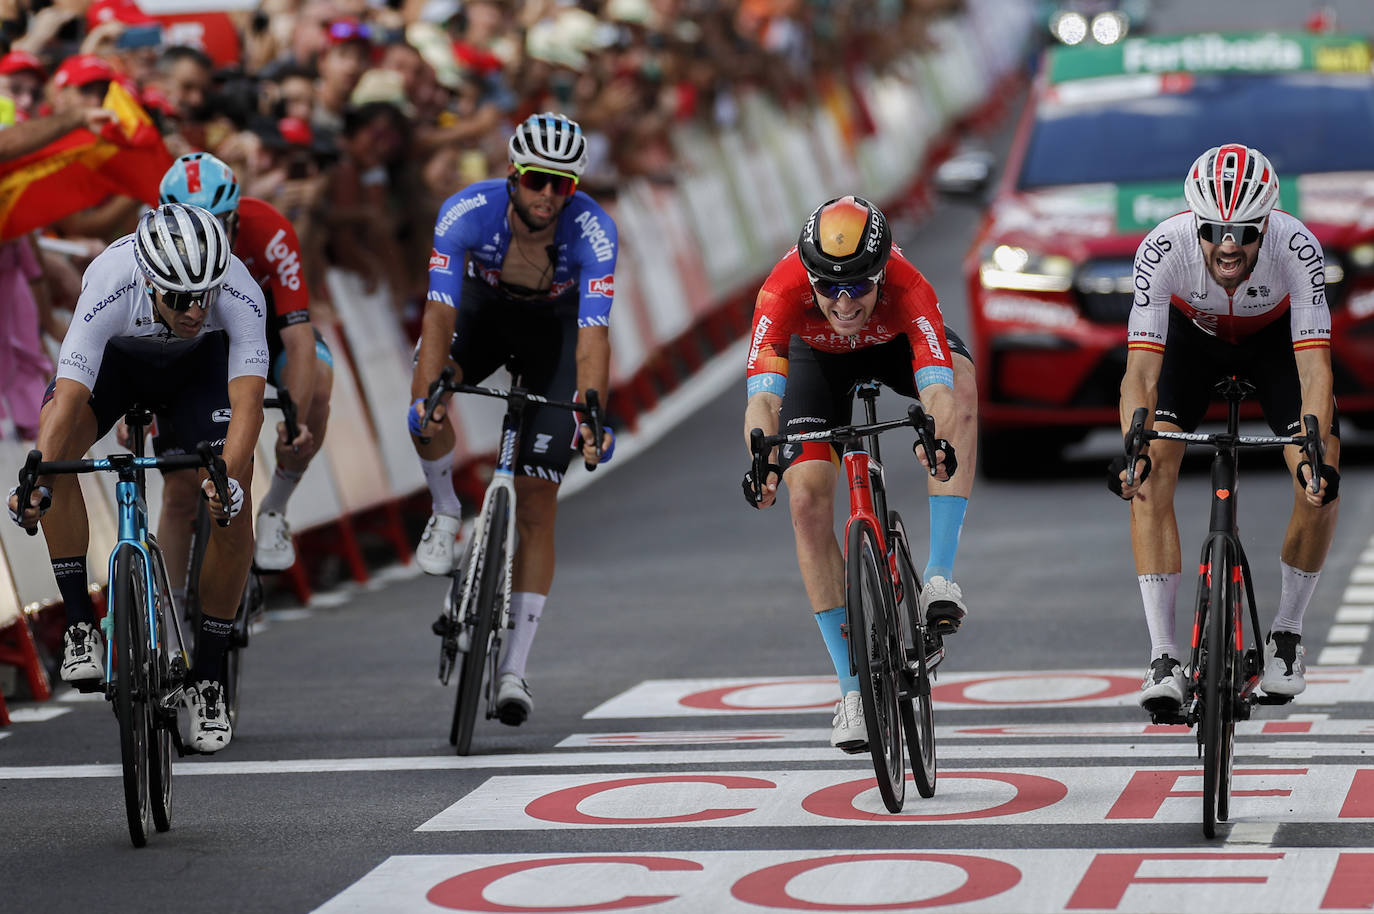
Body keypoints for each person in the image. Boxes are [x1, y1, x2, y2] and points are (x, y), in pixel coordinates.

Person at [7, 203, 268, 753]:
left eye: (205, 295)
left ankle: (211, 677)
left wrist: (230, 482)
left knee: (232, 503)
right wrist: (40, 478)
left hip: (200, 374)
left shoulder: (240, 292)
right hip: (120, 369)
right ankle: (81, 622)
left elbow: (247, 404)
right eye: (179, 298)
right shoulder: (109, 277)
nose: (196, 309)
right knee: (54, 451)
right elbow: (71, 392)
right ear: (148, 282)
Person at [741, 194, 977, 753]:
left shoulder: (907, 285)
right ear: (810, 278)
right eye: (828, 288)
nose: (844, 303)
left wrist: (937, 437)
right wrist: (762, 460)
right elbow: (760, 405)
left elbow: (938, 388)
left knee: (963, 387)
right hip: (817, 360)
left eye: (858, 287)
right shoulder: (780, 290)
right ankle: (851, 690)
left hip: (894, 346)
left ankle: (940, 575)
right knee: (805, 502)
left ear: (881, 273)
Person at [1114, 143, 1339, 711]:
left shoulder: (1298, 247)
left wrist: (1313, 449)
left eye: (1244, 231)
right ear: (1196, 224)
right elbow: (1140, 371)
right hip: (1194, 344)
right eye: (1214, 230)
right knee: (1150, 468)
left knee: (1319, 471)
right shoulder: (1163, 249)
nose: (1229, 246)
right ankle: (1164, 655)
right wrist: (1132, 445)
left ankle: (1286, 633)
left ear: (1268, 224)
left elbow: (1314, 370)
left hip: (1273, 345)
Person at [408, 111, 616, 725]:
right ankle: (446, 510)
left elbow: (592, 340)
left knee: (538, 497)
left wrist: (590, 412)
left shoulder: (595, 233)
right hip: (482, 319)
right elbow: (439, 317)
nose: (548, 195)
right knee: (425, 407)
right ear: (512, 175)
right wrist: (432, 394)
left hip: (553, 337)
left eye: (562, 185)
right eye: (535, 180)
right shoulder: (465, 212)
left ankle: (514, 668)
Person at [156, 152, 332, 575]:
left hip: (265, 322)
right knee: (180, 492)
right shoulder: (152, 241)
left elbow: (297, 334)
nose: (206, 240)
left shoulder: (269, 229)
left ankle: (274, 508)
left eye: (218, 226)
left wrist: (296, 418)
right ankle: (171, 617)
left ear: (236, 217)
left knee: (319, 382)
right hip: (193, 329)